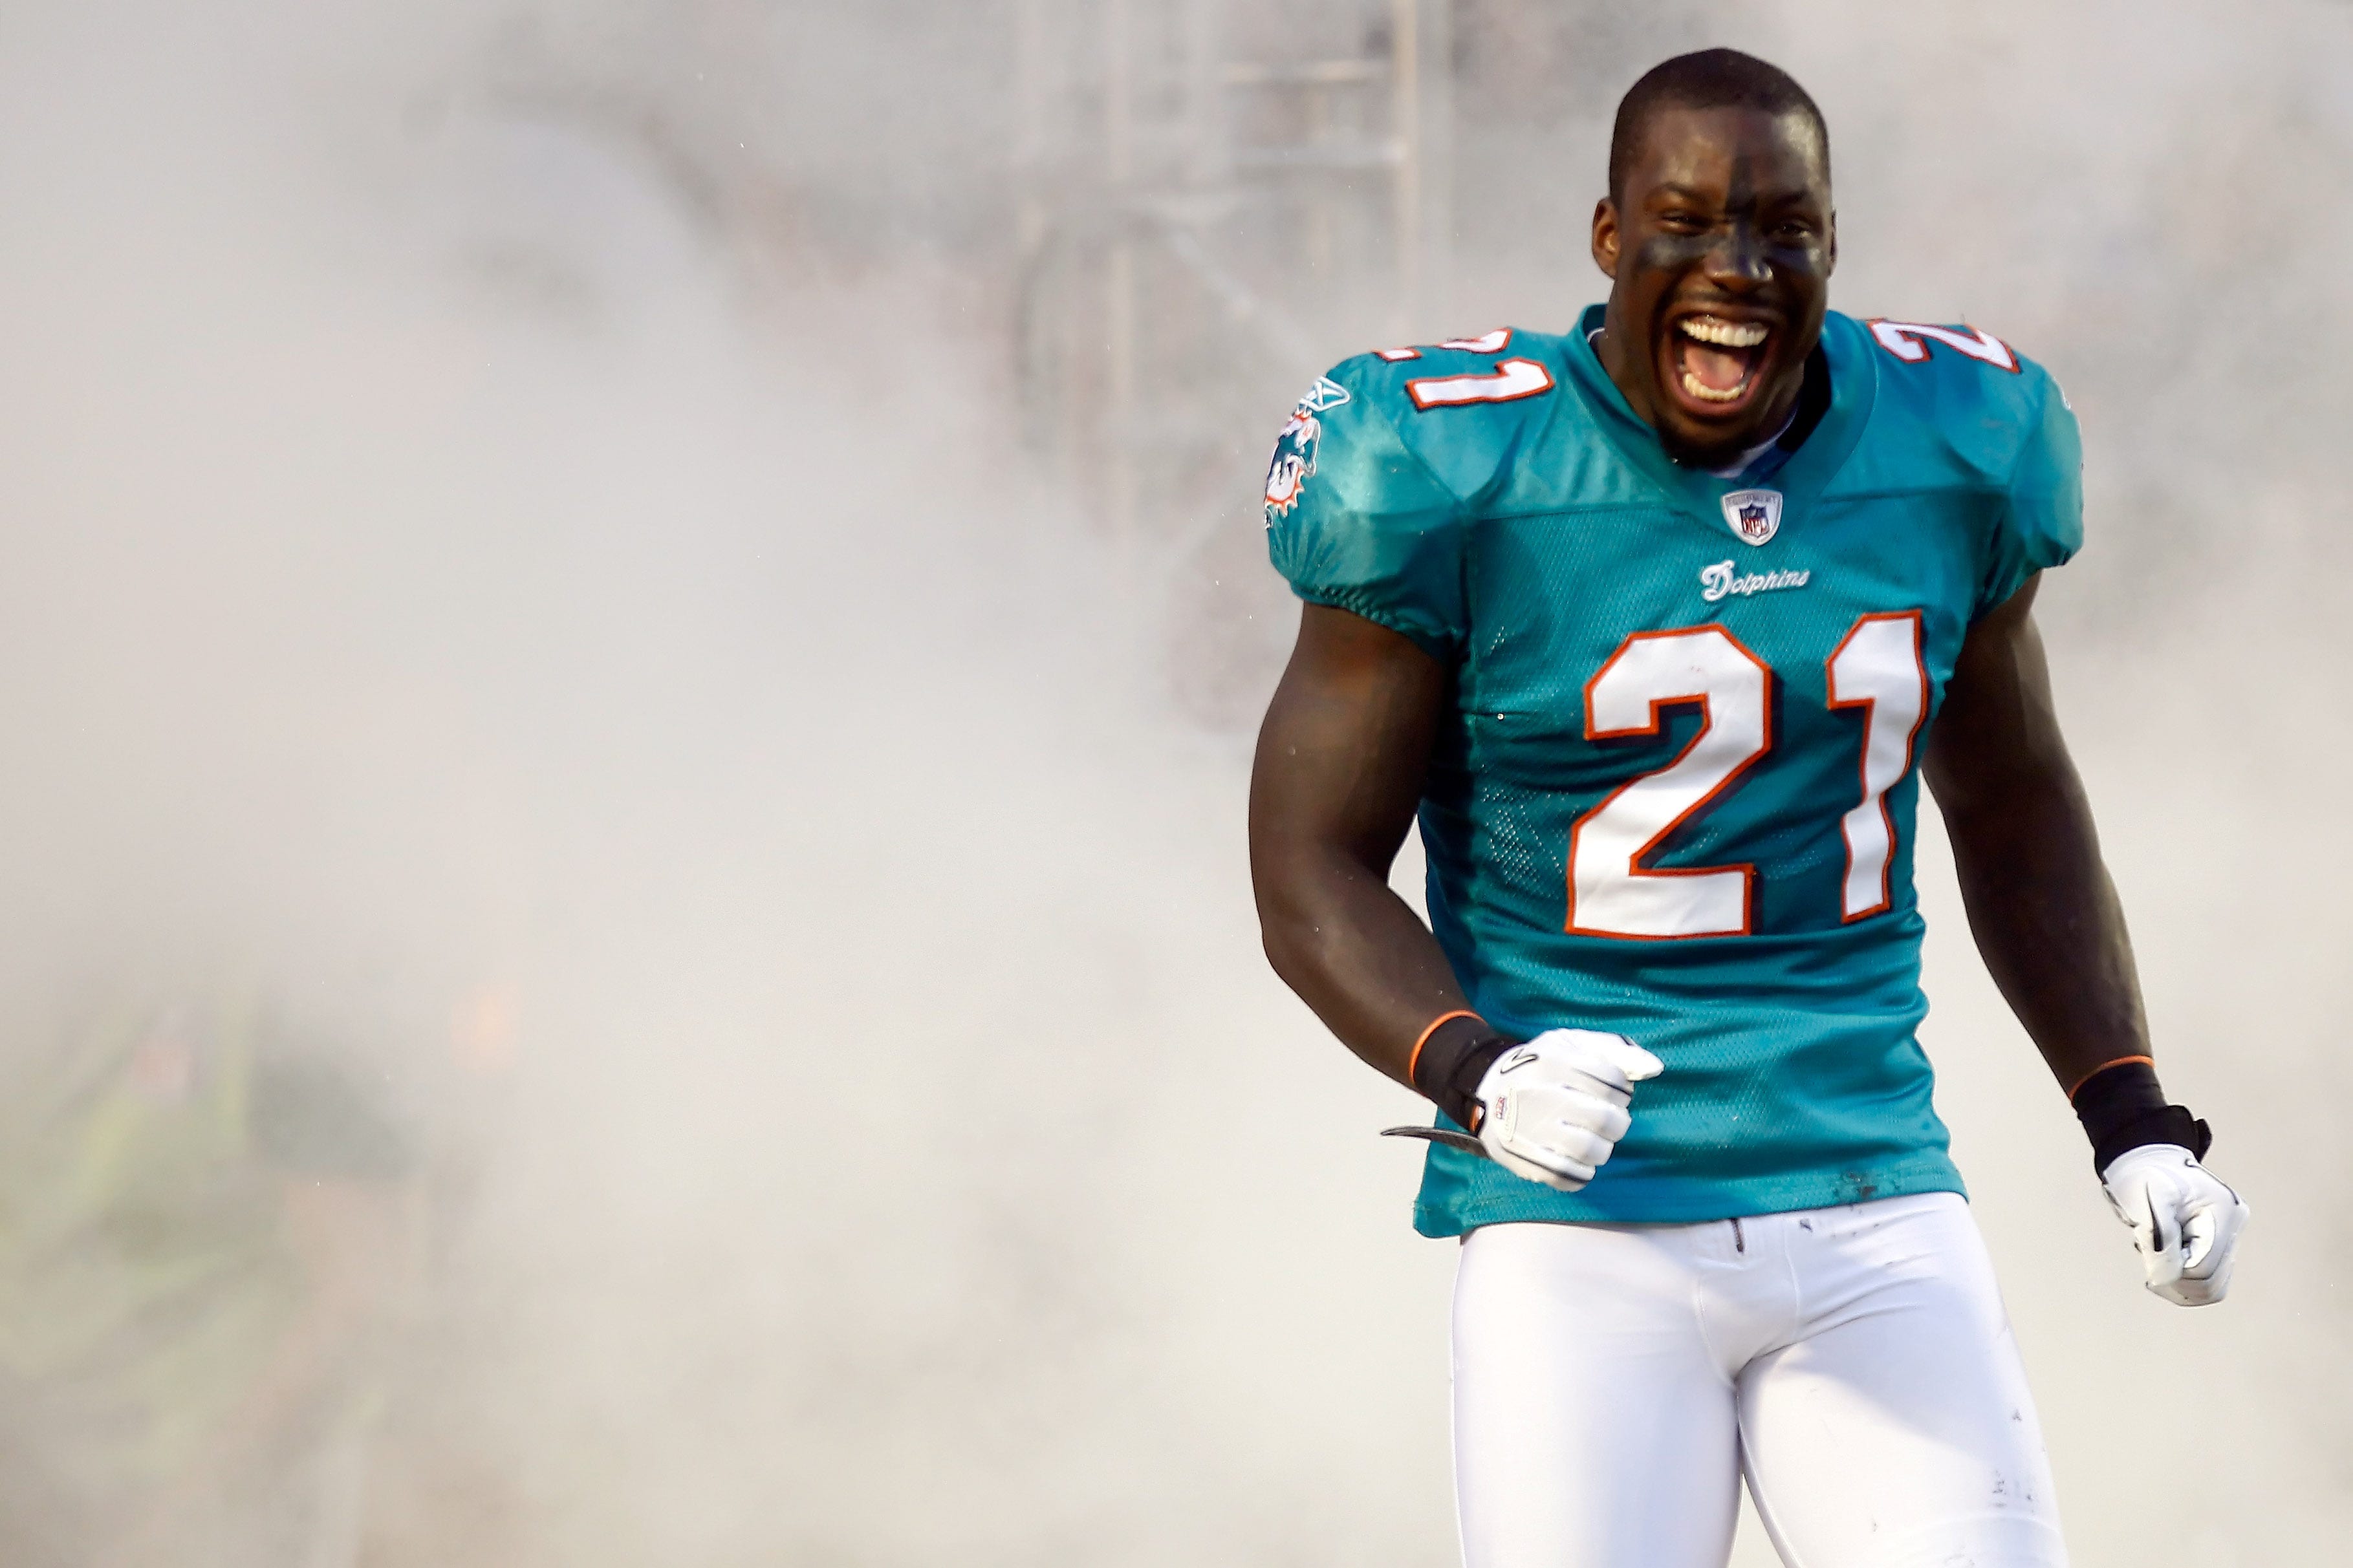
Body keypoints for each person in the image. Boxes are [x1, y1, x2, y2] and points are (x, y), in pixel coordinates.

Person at [1248, 47, 2248, 1568]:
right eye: (1689, 221)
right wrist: (1479, 1067)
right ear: (1607, 238)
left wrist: (2128, 1116)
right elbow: (1306, 867)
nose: (1740, 269)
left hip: (1867, 1195)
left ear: (1834, 243)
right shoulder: (1450, 463)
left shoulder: (1950, 451)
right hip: (1577, 1223)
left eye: (1785, 228)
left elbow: (2017, 795)